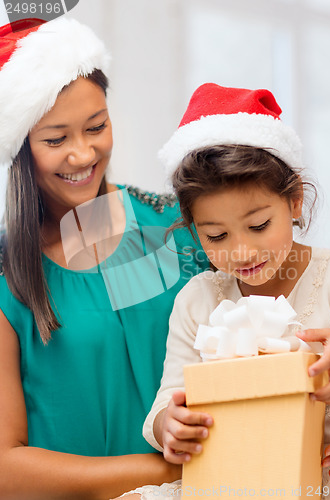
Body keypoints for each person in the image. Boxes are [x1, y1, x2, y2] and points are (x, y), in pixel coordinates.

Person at [0, 17, 209, 499]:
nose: (83, 154)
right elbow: (7, 467)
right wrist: (163, 472)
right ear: (19, 150)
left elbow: (281, 333)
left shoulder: (177, 228)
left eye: (97, 127)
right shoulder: (8, 276)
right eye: (55, 140)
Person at [139, 83, 330, 499]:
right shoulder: (198, 301)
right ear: (193, 230)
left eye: (258, 226)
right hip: (238, 483)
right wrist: (167, 425)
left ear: (295, 201)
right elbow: (168, 399)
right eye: (217, 235)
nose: (241, 251)